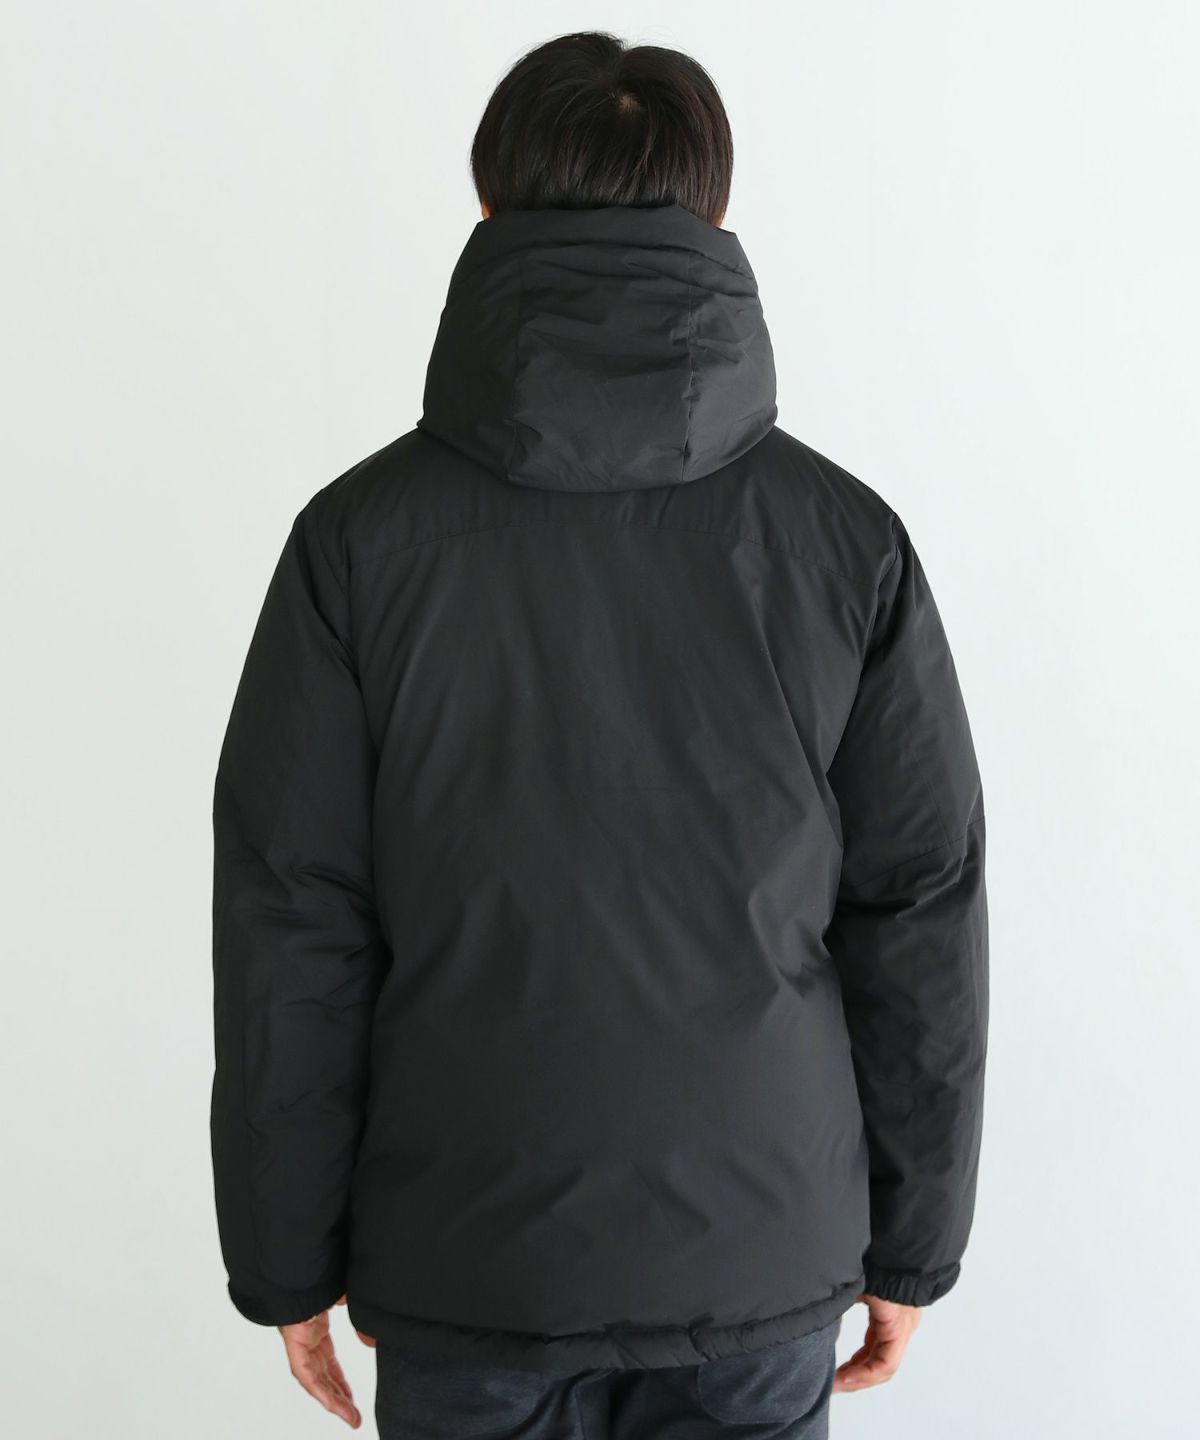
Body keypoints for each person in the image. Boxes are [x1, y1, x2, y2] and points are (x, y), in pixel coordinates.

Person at [209, 30, 989, 1440]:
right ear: (716, 216)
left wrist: (286, 1257)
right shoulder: (843, 542)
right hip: (757, 1258)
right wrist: (914, 1241)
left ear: (489, 206)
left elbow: (293, 921)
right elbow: (918, 907)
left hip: (467, 1262)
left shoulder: (358, 542)